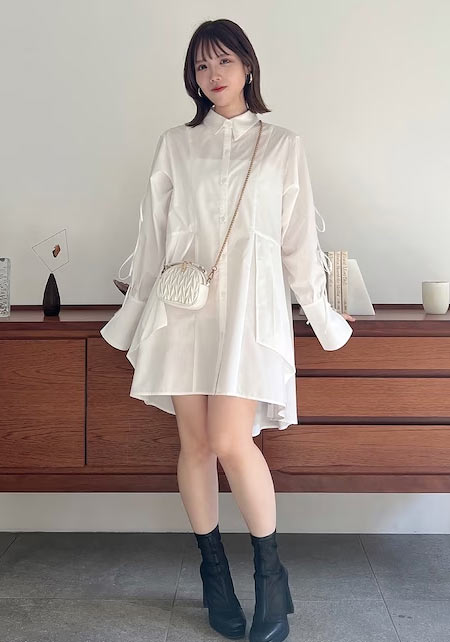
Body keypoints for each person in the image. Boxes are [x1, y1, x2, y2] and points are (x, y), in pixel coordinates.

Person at [100, 18, 356, 642]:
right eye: (200, 66)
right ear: (192, 78)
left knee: (229, 439)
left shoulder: (282, 145)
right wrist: (134, 315)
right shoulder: (175, 144)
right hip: (184, 308)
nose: (212, 75)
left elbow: (297, 242)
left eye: (223, 61)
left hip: (250, 307)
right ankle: (215, 575)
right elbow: (153, 238)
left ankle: (271, 577)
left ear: (248, 66)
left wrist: (323, 317)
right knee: (194, 444)